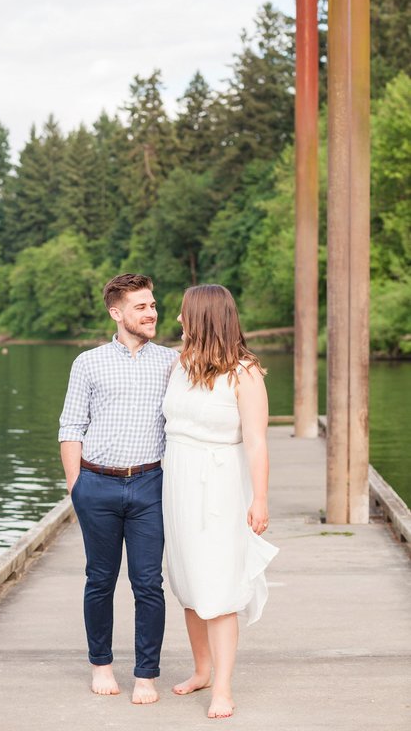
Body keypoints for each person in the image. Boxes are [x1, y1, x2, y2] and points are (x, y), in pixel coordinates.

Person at [58, 273, 178, 704]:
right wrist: (76, 487)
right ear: (117, 312)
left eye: (153, 305)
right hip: (97, 485)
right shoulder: (87, 363)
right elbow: (71, 425)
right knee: (100, 579)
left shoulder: (171, 361)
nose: (152, 313)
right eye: (141, 307)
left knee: (148, 582)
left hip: (149, 485)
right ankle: (102, 665)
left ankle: (146, 674)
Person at [162, 284, 278, 719]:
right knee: (188, 581)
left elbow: (257, 444)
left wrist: (260, 499)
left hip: (221, 485)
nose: (177, 320)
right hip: (178, 482)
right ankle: (201, 669)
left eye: (183, 313)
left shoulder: (244, 373)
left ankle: (224, 688)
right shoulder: (179, 364)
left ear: (205, 317)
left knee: (218, 584)